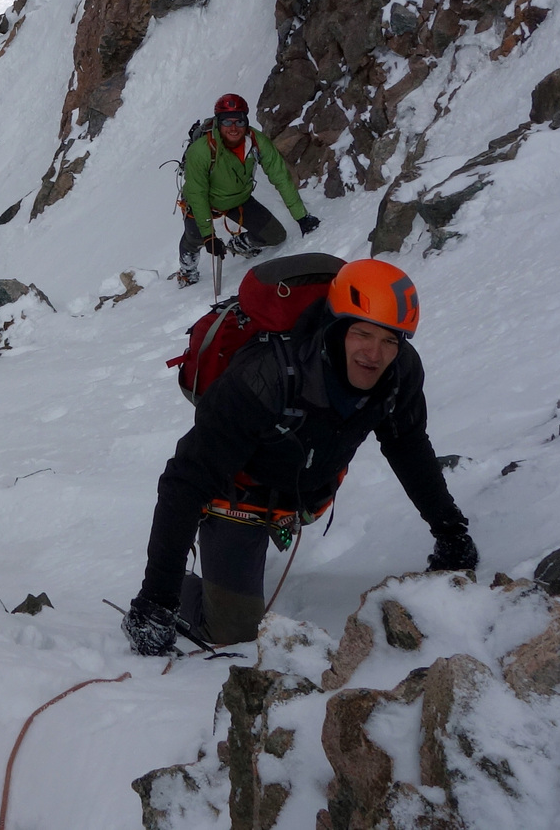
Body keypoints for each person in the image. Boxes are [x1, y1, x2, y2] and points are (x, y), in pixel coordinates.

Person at [122, 259, 477, 654]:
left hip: (300, 493)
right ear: (337, 326)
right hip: (236, 495)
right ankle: (193, 587)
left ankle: (245, 558)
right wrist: (157, 600)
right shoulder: (265, 377)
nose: (374, 354)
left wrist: (450, 531)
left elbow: (407, 446)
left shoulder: (400, 374)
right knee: (233, 628)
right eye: (362, 334)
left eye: (390, 340)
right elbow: (185, 480)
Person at [178, 92, 319, 284]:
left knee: (275, 235)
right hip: (202, 202)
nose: (234, 128)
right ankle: (187, 271)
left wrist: (301, 216)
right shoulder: (201, 151)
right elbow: (197, 193)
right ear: (218, 123)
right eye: (227, 122)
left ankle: (239, 244)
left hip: (239, 199)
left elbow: (280, 177)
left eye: (239, 121)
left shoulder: (256, 142)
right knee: (194, 239)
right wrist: (209, 236)